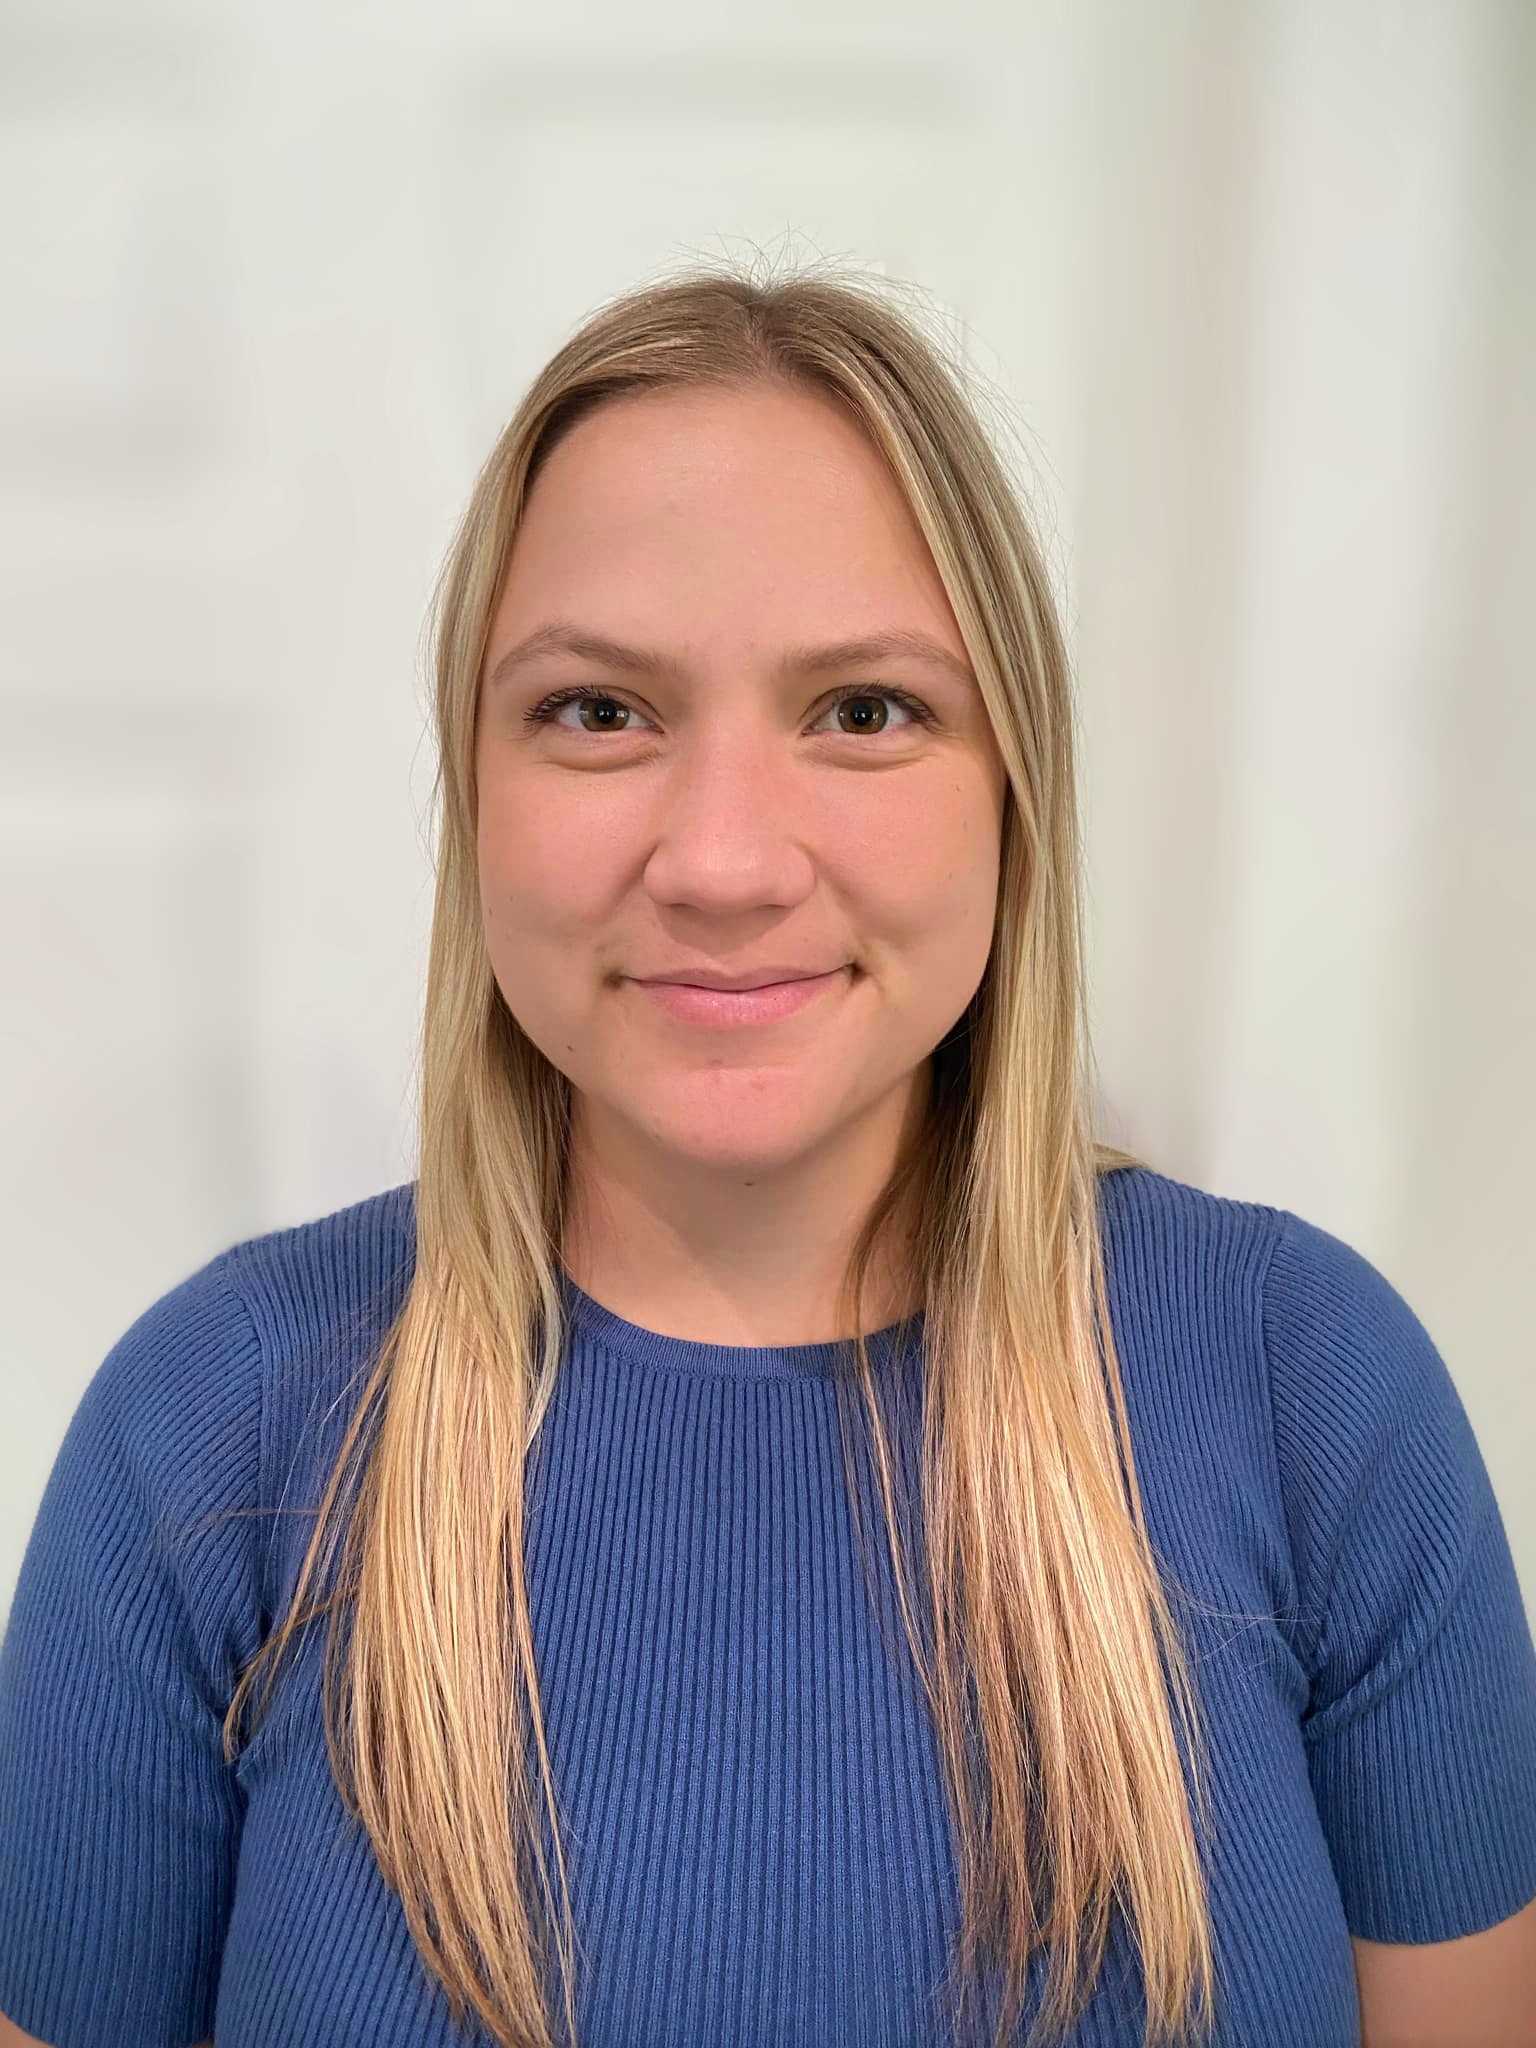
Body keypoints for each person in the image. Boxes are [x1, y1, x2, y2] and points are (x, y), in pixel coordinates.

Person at [0, 264, 1533, 2048]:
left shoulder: (1311, 1389)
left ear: (1014, 787)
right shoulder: (210, 1429)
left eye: (864, 710)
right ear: (473, 790)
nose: (723, 864)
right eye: (600, 711)